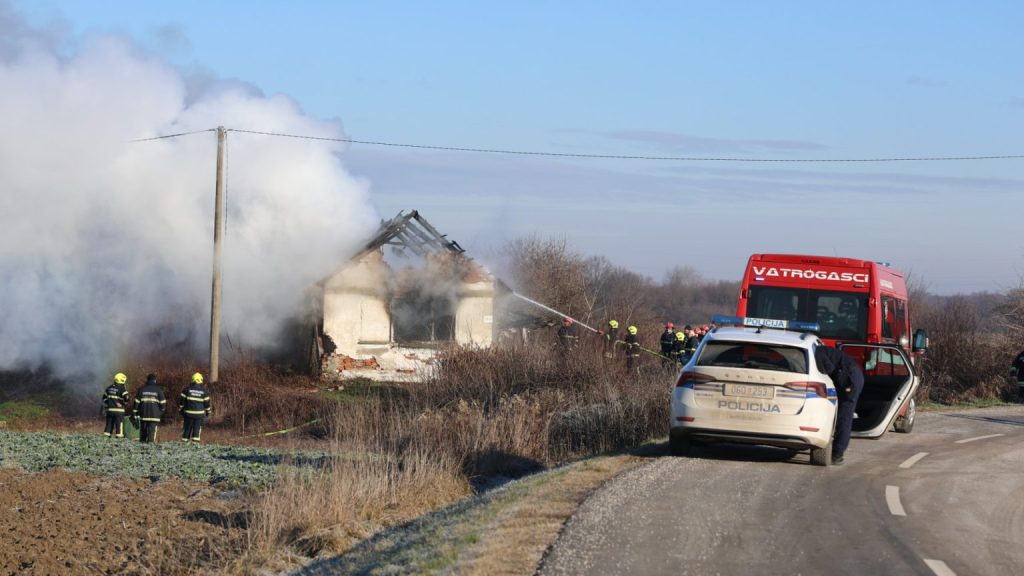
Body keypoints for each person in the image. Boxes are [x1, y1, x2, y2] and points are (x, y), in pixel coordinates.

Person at [814, 345, 865, 465]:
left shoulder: (818, 353)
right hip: (851, 375)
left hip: (850, 380)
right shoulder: (819, 350)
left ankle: (837, 453)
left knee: (844, 417)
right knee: (842, 416)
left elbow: (829, 369)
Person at [133, 373, 166, 443]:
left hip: (143, 415)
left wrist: (135, 413)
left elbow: (136, 403)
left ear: (147, 380)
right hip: (155, 416)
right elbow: (163, 403)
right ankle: (150, 446)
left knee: (143, 433)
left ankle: (141, 446)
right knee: (152, 433)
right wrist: (160, 412)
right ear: (155, 380)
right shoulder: (159, 390)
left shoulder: (142, 389)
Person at [180, 372, 212, 443]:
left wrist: (181, 411)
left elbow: (181, 402)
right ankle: (195, 445)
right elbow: (207, 404)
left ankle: (184, 445)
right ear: (201, 380)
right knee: (196, 431)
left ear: (193, 379)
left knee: (187, 430)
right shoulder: (204, 391)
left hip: (188, 414)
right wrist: (208, 412)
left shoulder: (186, 389)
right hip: (199, 415)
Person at [101, 372, 130, 439]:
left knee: (109, 424)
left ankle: (106, 438)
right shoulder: (122, 389)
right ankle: (119, 439)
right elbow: (127, 399)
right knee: (119, 425)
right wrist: (123, 404)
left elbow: (104, 398)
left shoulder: (109, 388)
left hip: (110, 410)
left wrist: (108, 403)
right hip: (119, 411)